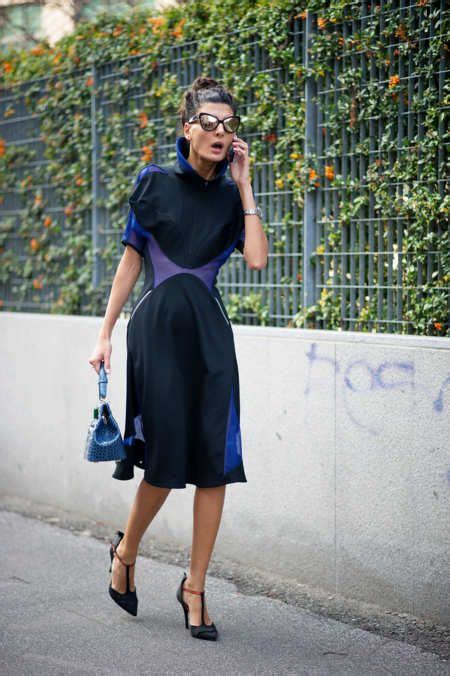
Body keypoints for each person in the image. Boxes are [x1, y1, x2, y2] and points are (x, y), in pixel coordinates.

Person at [88, 76, 268, 639]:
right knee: (164, 462)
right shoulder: (154, 182)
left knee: (214, 465)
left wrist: (245, 187)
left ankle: (195, 587)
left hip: (211, 339)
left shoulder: (229, 197)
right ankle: (127, 551)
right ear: (187, 128)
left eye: (229, 126)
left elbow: (258, 259)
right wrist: (105, 334)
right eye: (209, 123)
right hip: (158, 333)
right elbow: (130, 263)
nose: (220, 133)